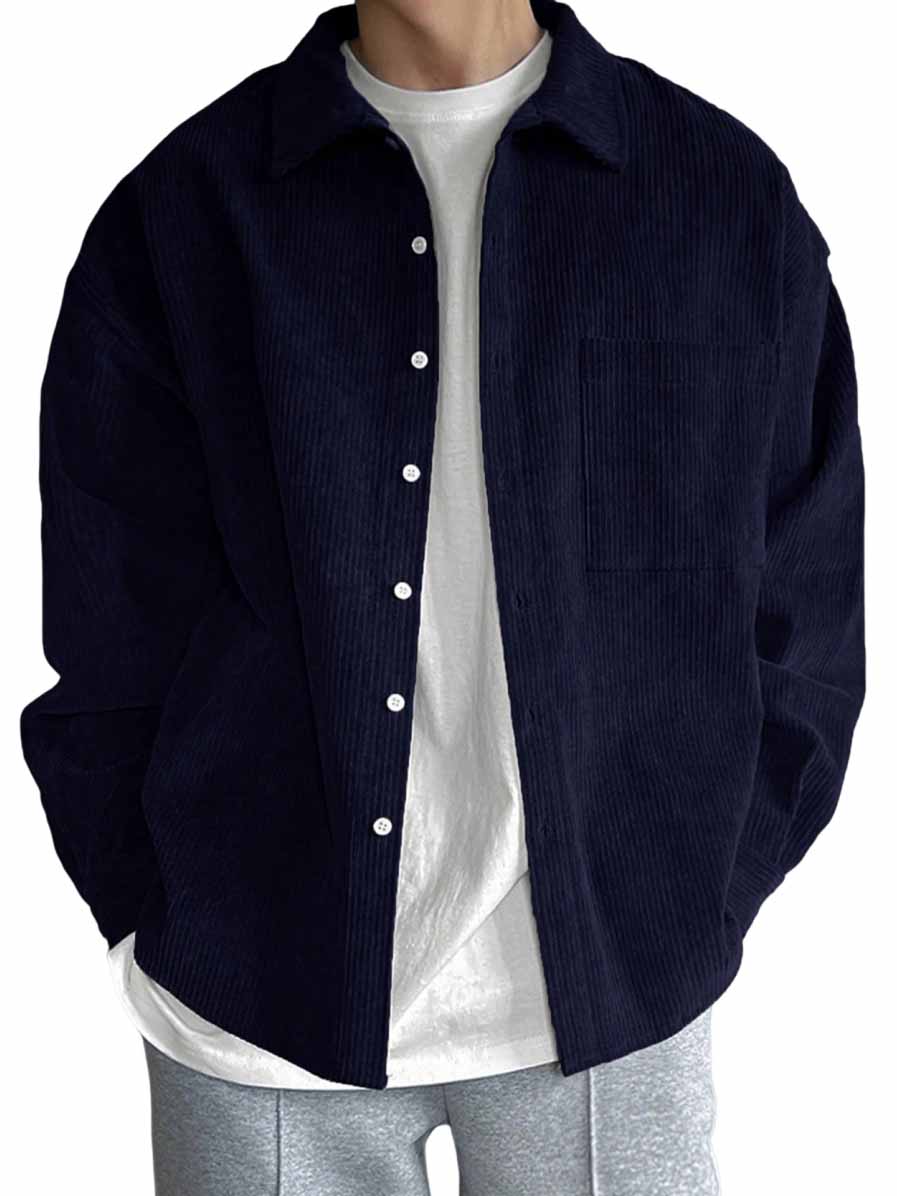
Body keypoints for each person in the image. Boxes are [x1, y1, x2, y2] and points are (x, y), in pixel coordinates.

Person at [21, 1, 864, 1192]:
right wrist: (154, 909)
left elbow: (808, 601)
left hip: (612, 997)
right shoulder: (187, 210)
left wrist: (695, 895)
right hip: (255, 995)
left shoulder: (721, 196)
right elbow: (110, 614)